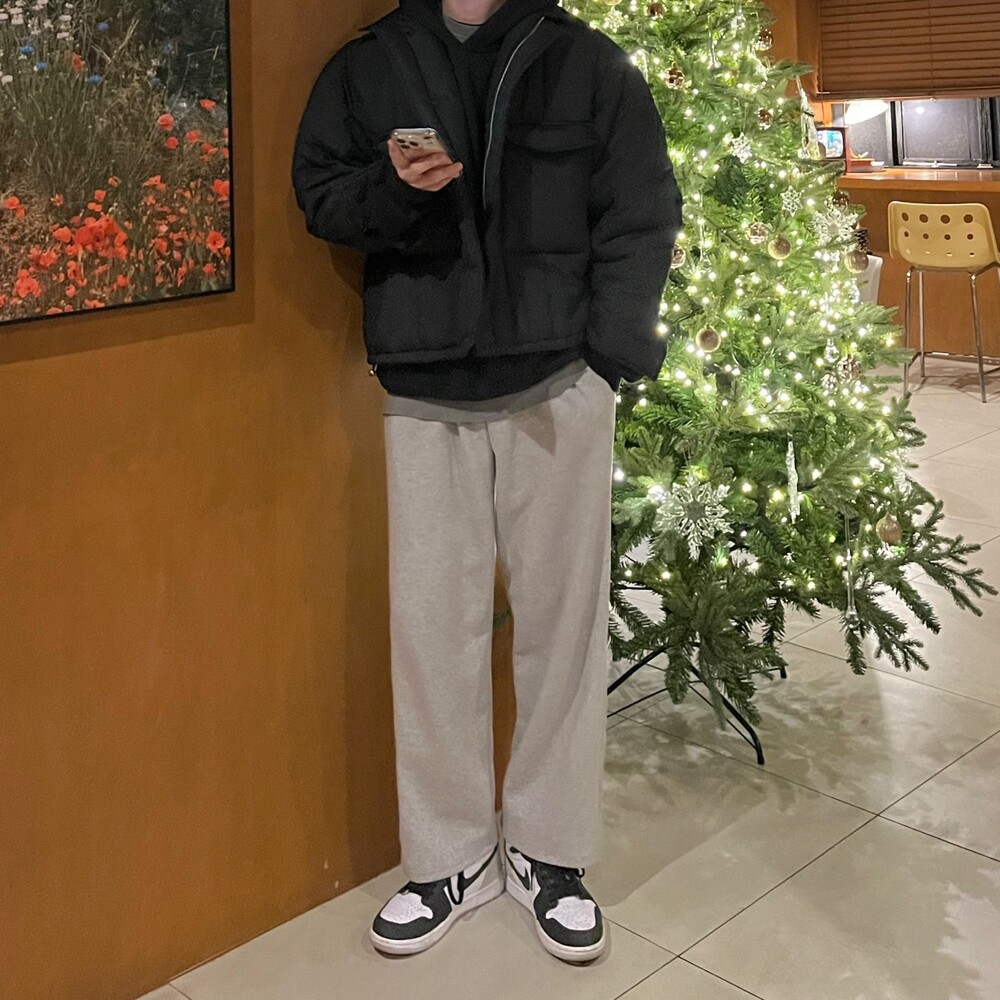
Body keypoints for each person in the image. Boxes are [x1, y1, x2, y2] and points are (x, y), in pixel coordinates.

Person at [293, 0, 682, 964]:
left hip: (561, 384)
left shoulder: (588, 61)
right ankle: (447, 860)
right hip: (423, 386)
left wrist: (607, 361)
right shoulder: (369, 63)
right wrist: (395, 190)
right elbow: (322, 198)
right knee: (432, 632)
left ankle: (552, 855)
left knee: (565, 631)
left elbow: (642, 208)